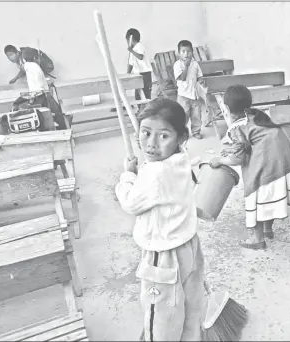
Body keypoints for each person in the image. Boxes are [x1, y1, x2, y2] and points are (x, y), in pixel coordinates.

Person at [115, 98, 205, 341]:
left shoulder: (154, 173)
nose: (151, 144)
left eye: (163, 136)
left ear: (180, 137)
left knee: (161, 315)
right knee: (191, 305)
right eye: (145, 134)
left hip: (163, 257)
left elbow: (130, 203)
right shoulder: (180, 157)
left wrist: (128, 175)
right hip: (189, 246)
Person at [209, 85, 290, 250]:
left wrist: (219, 160)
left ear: (226, 108)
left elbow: (238, 159)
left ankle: (256, 239)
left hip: (269, 162)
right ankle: (268, 229)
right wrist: (231, 149)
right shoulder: (256, 114)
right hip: (284, 159)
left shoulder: (237, 127)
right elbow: (253, 140)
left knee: (256, 194)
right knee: (268, 197)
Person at [173, 40, 204, 139]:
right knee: (183, 115)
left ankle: (196, 131)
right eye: (183, 51)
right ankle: (182, 132)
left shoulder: (195, 64)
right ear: (179, 53)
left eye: (189, 51)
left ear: (192, 52)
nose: (186, 54)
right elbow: (182, 78)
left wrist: (201, 81)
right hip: (183, 95)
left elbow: (199, 76)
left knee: (196, 115)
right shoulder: (177, 65)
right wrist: (186, 66)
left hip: (194, 94)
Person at [126, 28, 153, 100]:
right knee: (138, 94)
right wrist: (127, 75)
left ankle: (146, 109)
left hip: (145, 74)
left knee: (146, 93)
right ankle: (140, 109)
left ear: (130, 39)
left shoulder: (139, 46)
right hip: (137, 74)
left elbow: (140, 57)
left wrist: (131, 50)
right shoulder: (133, 49)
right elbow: (130, 63)